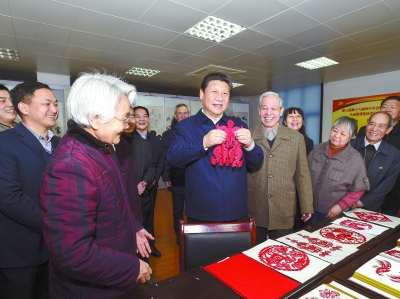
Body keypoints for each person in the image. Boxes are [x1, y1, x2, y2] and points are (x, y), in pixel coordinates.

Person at [40, 71, 152, 299]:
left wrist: (135, 228)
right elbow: (73, 254)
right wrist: (131, 267)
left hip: (111, 276)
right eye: (123, 118)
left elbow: (118, 201)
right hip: (90, 289)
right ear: (95, 119)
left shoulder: (103, 147)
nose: (126, 125)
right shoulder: (72, 166)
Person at [168, 72, 263, 223]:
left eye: (225, 93)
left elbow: (256, 163)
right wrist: (203, 143)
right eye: (214, 91)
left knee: (239, 248)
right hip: (201, 212)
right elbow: (173, 158)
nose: (220, 97)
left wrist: (250, 145)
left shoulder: (239, 126)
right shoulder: (185, 127)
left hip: (236, 210)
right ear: (201, 93)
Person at [0, 81, 60, 299]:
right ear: (24, 108)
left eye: (55, 103)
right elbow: (8, 197)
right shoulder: (4, 142)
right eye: (46, 104)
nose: (54, 109)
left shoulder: (60, 144)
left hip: (56, 250)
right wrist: (55, 223)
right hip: (19, 252)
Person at [247, 92, 313, 243]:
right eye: (264, 108)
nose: (269, 113)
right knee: (255, 252)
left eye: (274, 108)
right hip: (255, 206)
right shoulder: (248, 136)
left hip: (284, 207)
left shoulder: (296, 138)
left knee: (282, 252)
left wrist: (306, 205)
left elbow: (302, 174)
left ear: (281, 111)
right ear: (259, 111)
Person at [308, 116, 369, 224]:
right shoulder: (318, 149)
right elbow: (304, 176)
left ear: (351, 137)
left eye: (342, 134)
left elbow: (358, 189)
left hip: (333, 212)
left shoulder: (354, 159)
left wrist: (340, 206)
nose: (336, 135)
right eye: (334, 131)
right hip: (309, 210)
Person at [357, 96, 400, 216]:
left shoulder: (394, 153)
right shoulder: (359, 135)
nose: (375, 129)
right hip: (353, 196)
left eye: (393, 107)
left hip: (391, 191)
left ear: (388, 129)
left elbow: (390, 179)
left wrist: (367, 200)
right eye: (385, 106)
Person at [133, 106, 163, 257]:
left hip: (151, 185)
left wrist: (154, 179)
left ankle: (151, 245)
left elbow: (160, 160)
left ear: (148, 119)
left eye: (144, 116)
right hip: (136, 188)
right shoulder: (129, 139)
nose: (141, 119)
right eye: (137, 116)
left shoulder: (155, 139)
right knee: (138, 218)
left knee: (150, 215)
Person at [160, 104, 190, 244]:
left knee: (192, 209)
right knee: (178, 210)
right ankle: (180, 236)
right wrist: (166, 176)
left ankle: (192, 236)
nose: (183, 116)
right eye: (180, 113)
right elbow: (166, 156)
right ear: (175, 116)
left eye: (185, 113)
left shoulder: (194, 132)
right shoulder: (168, 135)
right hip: (176, 178)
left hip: (193, 179)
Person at [282, 107, 314, 231]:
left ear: (303, 121)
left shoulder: (309, 142)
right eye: (291, 116)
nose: (295, 119)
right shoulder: (278, 140)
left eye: (298, 116)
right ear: (284, 122)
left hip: (299, 190)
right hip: (283, 189)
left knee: (298, 228)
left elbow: (306, 171)